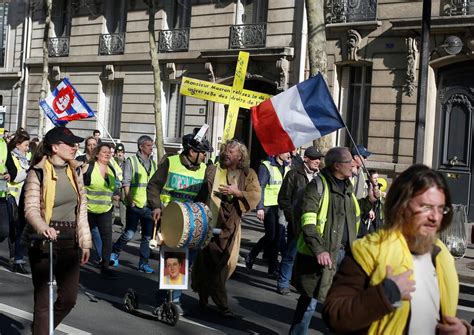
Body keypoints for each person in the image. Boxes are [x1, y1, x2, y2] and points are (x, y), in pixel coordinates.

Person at [323, 164, 471, 335]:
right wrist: (386, 294)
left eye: (440, 209)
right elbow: (334, 315)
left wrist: (464, 331)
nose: (435, 217)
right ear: (401, 207)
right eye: (426, 207)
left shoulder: (442, 257)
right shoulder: (369, 252)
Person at [22, 126, 91, 335]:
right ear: (54, 147)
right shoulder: (38, 172)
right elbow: (31, 209)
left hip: (70, 238)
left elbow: (82, 209)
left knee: (69, 299)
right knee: (43, 300)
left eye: (75, 144)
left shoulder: (76, 170)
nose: (74, 147)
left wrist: (85, 242)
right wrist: (44, 228)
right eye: (69, 144)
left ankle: (40, 330)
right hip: (44, 240)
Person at [289, 147, 362, 334]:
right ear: (337, 166)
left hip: (344, 255)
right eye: (348, 162)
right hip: (322, 255)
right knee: (310, 302)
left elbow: (353, 217)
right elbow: (308, 221)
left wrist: (369, 201)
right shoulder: (317, 187)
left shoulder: (348, 188)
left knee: (339, 304)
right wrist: (319, 249)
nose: (353, 164)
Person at [192, 139, 260, 318]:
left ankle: (218, 300)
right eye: (226, 150)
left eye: (232, 151)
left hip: (230, 228)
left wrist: (237, 193)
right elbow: (203, 192)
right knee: (205, 262)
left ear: (240, 156)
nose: (227, 153)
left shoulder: (248, 174)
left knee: (223, 264)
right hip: (210, 221)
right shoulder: (215, 170)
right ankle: (208, 300)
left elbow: (255, 195)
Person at [147, 132, 211, 313]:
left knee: (185, 261)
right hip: (169, 219)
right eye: (202, 152)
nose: (205, 156)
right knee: (172, 260)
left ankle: (170, 298)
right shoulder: (171, 162)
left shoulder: (204, 169)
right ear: (191, 152)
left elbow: (203, 197)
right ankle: (169, 301)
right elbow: (154, 186)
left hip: (191, 223)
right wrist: (156, 206)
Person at [276, 146, 323, 296]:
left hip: (314, 224)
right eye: (314, 158)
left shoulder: (321, 178)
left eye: (319, 158)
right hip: (297, 222)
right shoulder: (293, 175)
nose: (317, 161)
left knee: (306, 256)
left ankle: (296, 282)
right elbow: (284, 199)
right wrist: (292, 217)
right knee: (290, 253)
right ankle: (283, 282)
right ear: (306, 159)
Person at [110, 135, 157, 273]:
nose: (151, 147)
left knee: (147, 237)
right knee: (129, 234)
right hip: (135, 204)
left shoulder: (153, 164)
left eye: (152, 145)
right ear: (141, 146)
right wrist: (130, 201)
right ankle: (115, 250)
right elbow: (126, 182)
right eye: (149, 145)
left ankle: (143, 263)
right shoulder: (131, 161)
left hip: (148, 206)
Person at [246, 152, 291, 277]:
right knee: (271, 235)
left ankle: (272, 268)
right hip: (268, 206)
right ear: (278, 152)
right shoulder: (266, 166)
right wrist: (259, 207)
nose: (289, 154)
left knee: (278, 238)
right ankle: (252, 255)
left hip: (281, 207)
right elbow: (261, 186)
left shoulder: (287, 167)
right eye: (286, 152)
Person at [83, 142, 120, 279]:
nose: (107, 154)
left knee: (107, 239)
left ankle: (105, 268)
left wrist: (117, 194)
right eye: (104, 152)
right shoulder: (89, 167)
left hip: (105, 210)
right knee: (81, 238)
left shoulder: (111, 169)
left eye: (109, 152)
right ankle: (71, 265)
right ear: (97, 153)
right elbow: (78, 184)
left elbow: (114, 187)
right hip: (88, 210)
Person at [7, 130, 30, 273]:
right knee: (10, 230)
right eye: (26, 145)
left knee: (21, 229)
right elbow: (15, 176)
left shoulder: (26, 157)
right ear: (18, 144)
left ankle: (18, 259)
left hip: (23, 198)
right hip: (11, 197)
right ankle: (14, 256)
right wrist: (28, 171)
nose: (28, 148)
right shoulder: (10, 156)